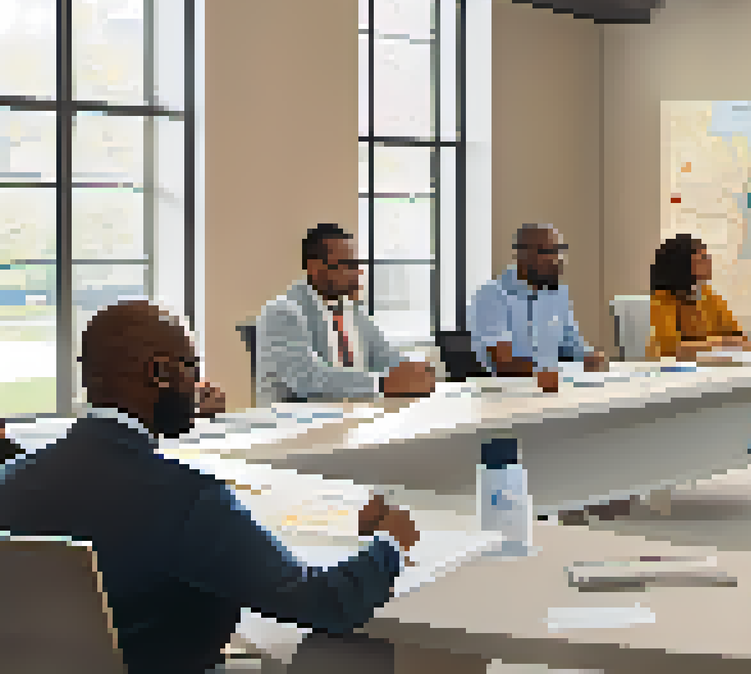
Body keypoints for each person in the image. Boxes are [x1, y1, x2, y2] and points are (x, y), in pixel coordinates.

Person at [0, 301, 419, 674]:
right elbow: (327, 603)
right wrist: (389, 544)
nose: (198, 385)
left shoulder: (10, 480)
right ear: (160, 373)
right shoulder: (185, 498)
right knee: (347, 652)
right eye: (192, 367)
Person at [256, 223, 436, 405]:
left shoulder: (351, 310)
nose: (357, 272)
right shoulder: (281, 313)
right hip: (293, 427)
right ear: (315, 268)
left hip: (349, 420)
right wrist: (382, 383)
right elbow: (307, 379)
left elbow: (384, 356)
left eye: (358, 264)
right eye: (348, 265)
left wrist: (417, 371)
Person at [468, 223, 607, 390]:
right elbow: (503, 364)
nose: (558, 260)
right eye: (549, 252)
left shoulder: (557, 293)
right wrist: (546, 373)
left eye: (560, 251)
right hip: (506, 395)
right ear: (522, 255)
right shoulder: (493, 295)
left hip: (555, 390)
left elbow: (571, 346)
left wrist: (589, 357)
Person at [647, 234, 751, 360]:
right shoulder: (660, 301)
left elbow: (744, 343)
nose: (709, 261)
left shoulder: (709, 297)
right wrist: (720, 344)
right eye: (702, 257)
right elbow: (671, 350)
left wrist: (708, 346)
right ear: (681, 263)